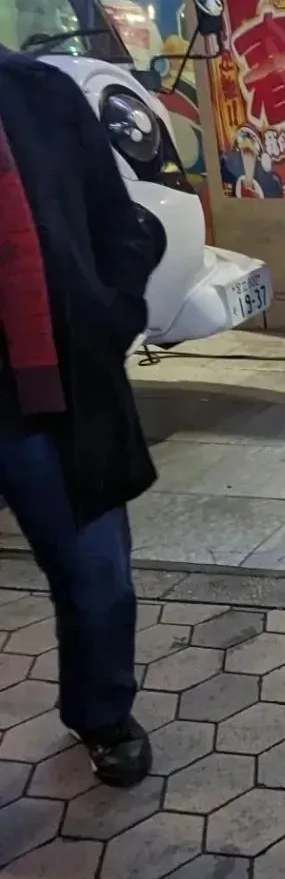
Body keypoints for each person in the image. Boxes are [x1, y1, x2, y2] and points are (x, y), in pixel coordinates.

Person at [0, 46, 159, 786]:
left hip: (54, 391)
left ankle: (102, 710)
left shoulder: (40, 94)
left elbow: (118, 223)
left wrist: (109, 316)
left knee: (99, 577)